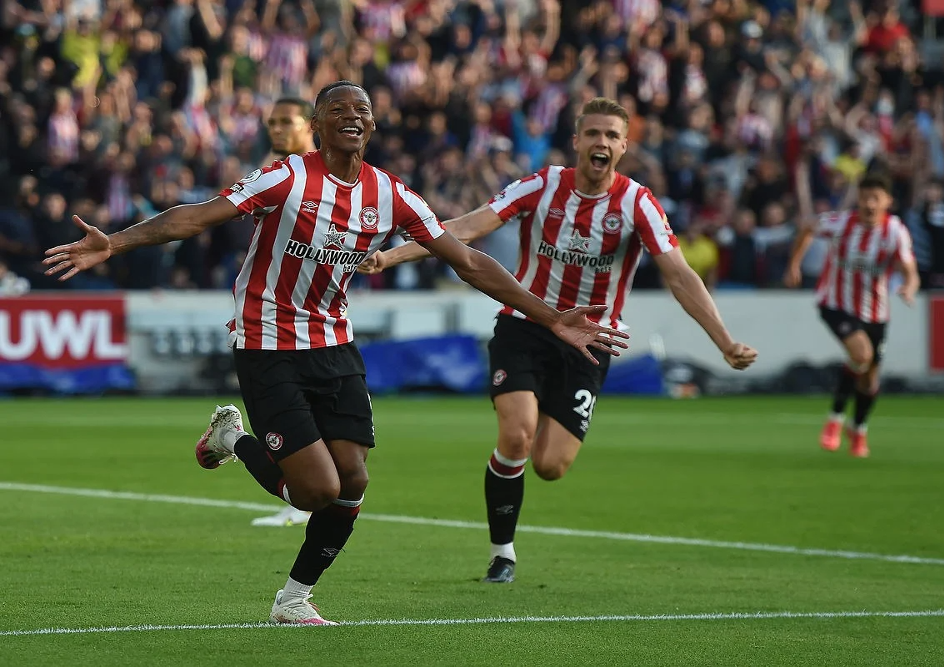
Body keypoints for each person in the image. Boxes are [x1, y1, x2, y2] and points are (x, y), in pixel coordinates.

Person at [42, 81, 628, 625]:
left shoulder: (390, 194)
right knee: (315, 490)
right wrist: (114, 243)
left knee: (352, 479)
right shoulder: (286, 179)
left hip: (335, 343)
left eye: (363, 110)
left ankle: (294, 598)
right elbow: (195, 217)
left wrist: (552, 319)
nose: (354, 116)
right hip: (268, 340)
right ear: (317, 125)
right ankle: (236, 441)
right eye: (340, 110)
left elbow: (468, 260)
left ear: (372, 127)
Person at [358, 97, 758, 584]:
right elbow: (466, 227)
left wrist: (723, 340)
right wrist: (390, 257)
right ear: (576, 141)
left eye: (612, 135)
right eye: (593, 133)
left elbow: (679, 274)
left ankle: (521, 487)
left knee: (550, 465)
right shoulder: (542, 185)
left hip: (592, 341)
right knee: (516, 432)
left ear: (625, 146)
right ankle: (502, 552)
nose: (602, 143)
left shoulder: (638, 204)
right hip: (527, 324)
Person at [784, 171, 919, 458]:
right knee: (861, 355)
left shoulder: (895, 231)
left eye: (876, 198)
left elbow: (910, 271)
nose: (870, 204)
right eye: (865, 197)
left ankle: (858, 430)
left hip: (876, 312)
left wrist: (909, 287)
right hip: (835, 303)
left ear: (888, 201)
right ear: (858, 198)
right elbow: (808, 228)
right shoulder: (840, 223)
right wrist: (794, 264)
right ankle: (834, 420)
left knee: (869, 380)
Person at [244, 97, 316, 528]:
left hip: (322, 319)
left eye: (285, 122)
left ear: (311, 124)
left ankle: (301, 499)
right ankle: (299, 501)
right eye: (270, 122)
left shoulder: (334, 175)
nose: (275, 129)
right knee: (295, 413)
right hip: (273, 320)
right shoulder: (273, 175)